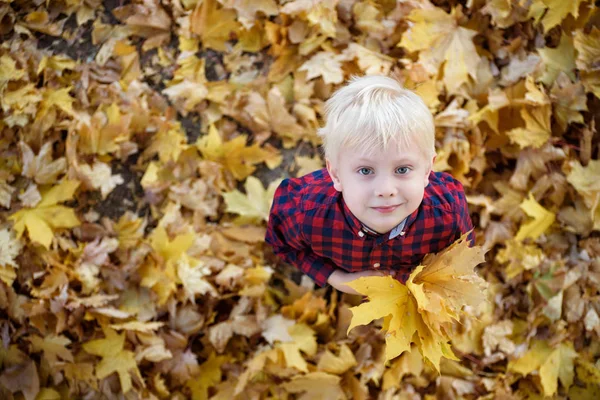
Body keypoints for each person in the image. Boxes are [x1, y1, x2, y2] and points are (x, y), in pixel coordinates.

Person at [265, 75, 474, 295]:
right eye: (366, 171)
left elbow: (461, 257)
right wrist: (336, 278)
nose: (385, 190)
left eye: (402, 169)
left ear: (427, 171)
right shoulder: (306, 213)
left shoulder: (447, 214)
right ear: (335, 174)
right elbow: (284, 244)